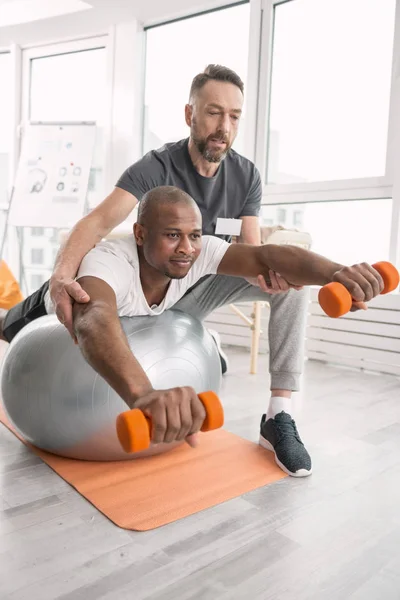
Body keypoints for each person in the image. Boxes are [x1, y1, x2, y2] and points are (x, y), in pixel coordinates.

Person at [1, 187, 383, 475]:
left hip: (144, 318)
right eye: (171, 235)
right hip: (38, 313)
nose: (186, 248)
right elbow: (94, 316)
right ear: (139, 234)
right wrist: (144, 394)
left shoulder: (199, 253)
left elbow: (268, 256)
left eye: (194, 236)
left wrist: (336, 272)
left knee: (287, 286)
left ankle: (276, 414)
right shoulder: (109, 262)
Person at [47, 64, 310, 475]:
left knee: (294, 287)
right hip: (155, 286)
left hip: (206, 281)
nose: (224, 126)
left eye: (235, 116)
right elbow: (97, 222)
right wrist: (62, 274)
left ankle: (279, 415)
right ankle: (205, 338)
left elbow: (253, 249)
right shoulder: (155, 167)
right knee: (43, 314)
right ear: (190, 115)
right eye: (213, 112)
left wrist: (271, 273)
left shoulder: (246, 175)